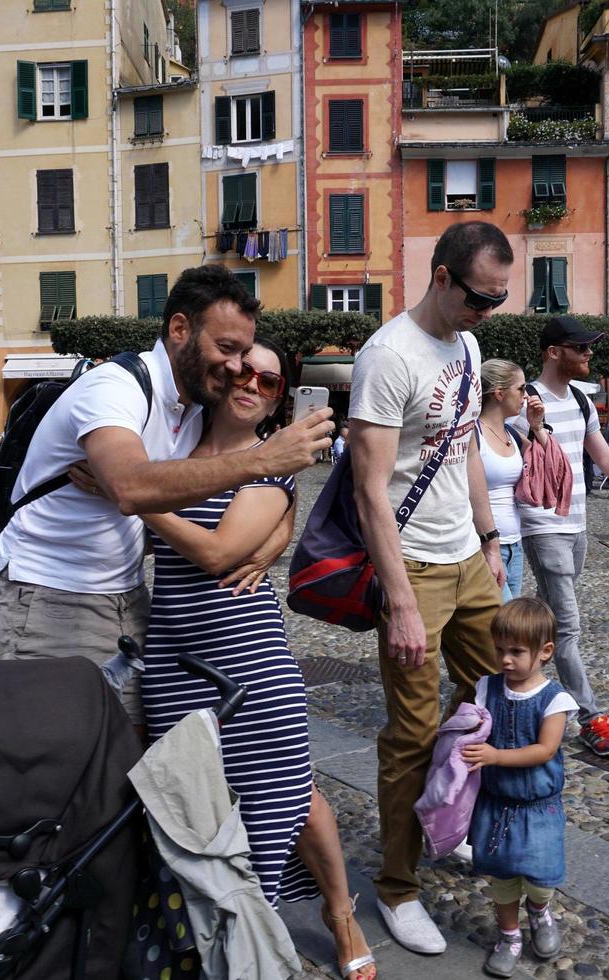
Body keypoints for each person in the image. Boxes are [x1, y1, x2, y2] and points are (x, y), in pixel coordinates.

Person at [0, 264, 331, 728]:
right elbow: (131, 487)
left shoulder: (194, 406)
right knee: (58, 753)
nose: (238, 368)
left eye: (243, 354)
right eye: (227, 348)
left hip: (130, 598)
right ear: (180, 328)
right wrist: (265, 462)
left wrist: (280, 530)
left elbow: (229, 472)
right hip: (55, 593)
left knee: (135, 755)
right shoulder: (114, 388)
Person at [139, 338, 375, 980]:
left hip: (251, 666)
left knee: (279, 805)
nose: (251, 382)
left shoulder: (270, 465)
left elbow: (217, 554)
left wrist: (131, 496)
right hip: (172, 660)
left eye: (269, 381)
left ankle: (303, 929)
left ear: (279, 398)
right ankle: (211, 937)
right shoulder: (169, 444)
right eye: (241, 368)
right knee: (190, 811)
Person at [348, 221, 508, 954]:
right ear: (442, 277)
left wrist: (488, 538)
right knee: (411, 736)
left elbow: (465, 447)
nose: (488, 311)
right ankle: (397, 888)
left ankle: (452, 815)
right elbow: (369, 491)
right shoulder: (387, 357)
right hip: (410, 565)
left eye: (499, 300)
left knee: (494, 701)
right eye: (480, 296)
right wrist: (401, 602)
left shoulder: (470, 346)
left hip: (467, 561)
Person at [514, 316, 609, 760]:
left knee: (547, 618)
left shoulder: (581, 400)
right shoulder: (526, 403)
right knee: (568, 627)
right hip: (543, 526)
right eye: (580, 348)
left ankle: (514, 690)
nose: (589, 354)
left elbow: (601, 455)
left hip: (578, 524)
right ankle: (589, 717)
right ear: (553, 352)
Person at [462, 598, 576, 978]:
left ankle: (540, 911)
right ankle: (509, 935)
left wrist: (495, 757)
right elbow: (471, 724)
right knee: (503, 880)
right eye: (499, 650)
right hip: (496, 806)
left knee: (541, 877)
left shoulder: (554, 699)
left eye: (516, 652)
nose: (505, 660)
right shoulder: (487, 687)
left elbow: (544, 750)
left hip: (537, 808)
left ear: (545, 652)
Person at [478, 359, 548, 603]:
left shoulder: (512, 435)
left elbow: (549, 465)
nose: (526, 395)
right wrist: (489, 546)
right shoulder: (473, 434)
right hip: (482, 546)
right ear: (499, 393)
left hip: (514, 546)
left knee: (506, 630)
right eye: (521, 388)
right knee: (498, 622)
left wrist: (537, 426)